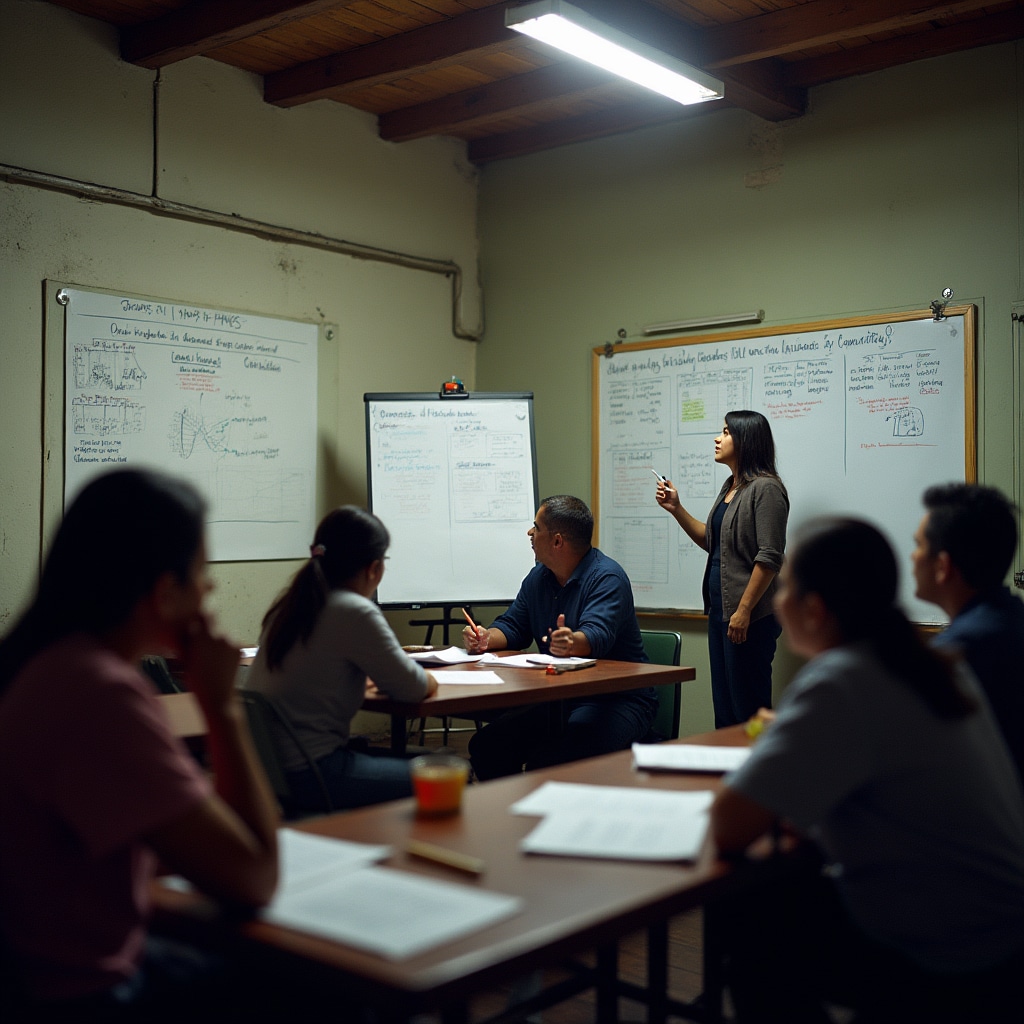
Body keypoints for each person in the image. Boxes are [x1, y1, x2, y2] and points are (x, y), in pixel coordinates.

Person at [709, 517, 1024, 1023]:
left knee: (750, 917)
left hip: (956, 958)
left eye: (786, 584)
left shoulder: (844, 678)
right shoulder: (930, 662)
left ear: (814, 608)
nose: (779, 598)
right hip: (1001, 935)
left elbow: (728, 825)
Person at [0, 469, 280, 1022]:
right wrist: (221, 707)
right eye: (202, 570)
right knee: (318, 991)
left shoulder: (42, 661)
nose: (211, 589)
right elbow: (254, 878)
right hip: (78, 995)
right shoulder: (99, 693)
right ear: (164, 591)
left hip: (29, 974)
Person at [245, 506, 437, 812]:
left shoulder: (292, 604)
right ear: (374, 568)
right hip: (313, 773)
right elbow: (413, 688)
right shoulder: (352, 610)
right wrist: (429, 676)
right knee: (449, 775)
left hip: (270, 773)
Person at [464, 495, 656, 780]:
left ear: (557, 541)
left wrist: (572, 642)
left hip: (617, 699)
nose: (530, 533)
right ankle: (513, 819)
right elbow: (514, 626)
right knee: (488, 746)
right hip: (562, 698)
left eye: (536, 527)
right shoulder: (539, 575)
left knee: (553, 763)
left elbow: (597, 636)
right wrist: (487, 637)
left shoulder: (607, 577)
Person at [655, 410, 788, 727]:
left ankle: (756, 775)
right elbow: (714, 541)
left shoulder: (765, 489)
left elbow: (769, 556)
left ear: (746, 440)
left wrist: (743, 611)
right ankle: (728, 775)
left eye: (726, 432)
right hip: (721, 613)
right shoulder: (732, 486)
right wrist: (676, 508)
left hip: (750, 618)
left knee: (748, 711)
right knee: (726, 712)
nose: (718, 438)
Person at [911, 482, 1024, 780]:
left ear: (942, 566)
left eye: (919, 546)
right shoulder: (1010, 617)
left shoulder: (959, 651)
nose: (913, 557)